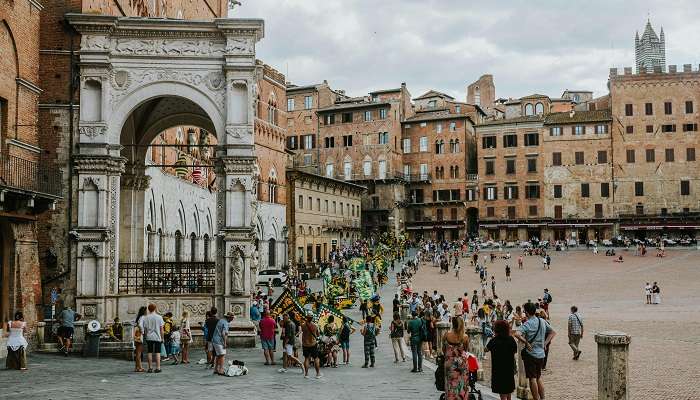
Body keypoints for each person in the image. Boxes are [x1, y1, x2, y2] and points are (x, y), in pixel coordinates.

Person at [514, 302, 556, 400]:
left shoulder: (527, 324)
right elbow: (552, 332)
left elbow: (516, 334)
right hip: (541, 354)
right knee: (538, 378)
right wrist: (545, 344)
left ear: (527, 313)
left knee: (532, 379)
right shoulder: (542, 321)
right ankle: (543, 398)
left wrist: (526, 342)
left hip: (531, 354)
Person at [485, 320, 517, 399]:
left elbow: (486, 349)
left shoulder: (494, 341)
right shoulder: (511, 339)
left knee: (502, 390)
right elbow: (515, 350)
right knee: (508, 388)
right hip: (509, 367)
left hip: (498, 368)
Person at [442, 316, 470, 400]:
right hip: (462, 364)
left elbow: (443, 349)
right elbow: (466, 350)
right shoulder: (465, 337)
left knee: (450, 385)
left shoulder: (446, 335)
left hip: (450, 363)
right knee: (462, 385)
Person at [142, 303, 165, 373]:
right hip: (157, 336)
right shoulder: (159, 317)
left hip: (149, 336)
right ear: (155, 309)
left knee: (149, 352)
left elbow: (145, 328)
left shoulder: (146, 317)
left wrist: (146, 336)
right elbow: (161, 329)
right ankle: (158, 368)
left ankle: (150, 368)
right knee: (158, 352)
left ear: (148, 309)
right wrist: (162, 338)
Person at [301, 314, 322, 378]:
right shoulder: (315, 325)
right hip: (313, 344)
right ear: (312, 318)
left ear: (307, 318)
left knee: (306, 358)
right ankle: (318, 374)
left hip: (305, 344)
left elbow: (302, 331)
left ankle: (306, 374)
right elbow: (318, 335)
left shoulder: (303, 325)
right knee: (316, 358)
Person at [133, 306, 147, 372]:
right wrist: (143, 332)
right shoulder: (143, 317)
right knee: (139, 352)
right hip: (140, 335)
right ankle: (140, 367)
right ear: (144, 311)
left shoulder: (139, 317)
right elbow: (140, 325)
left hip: (137, 335)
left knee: (138, 352)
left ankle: (137, 367)